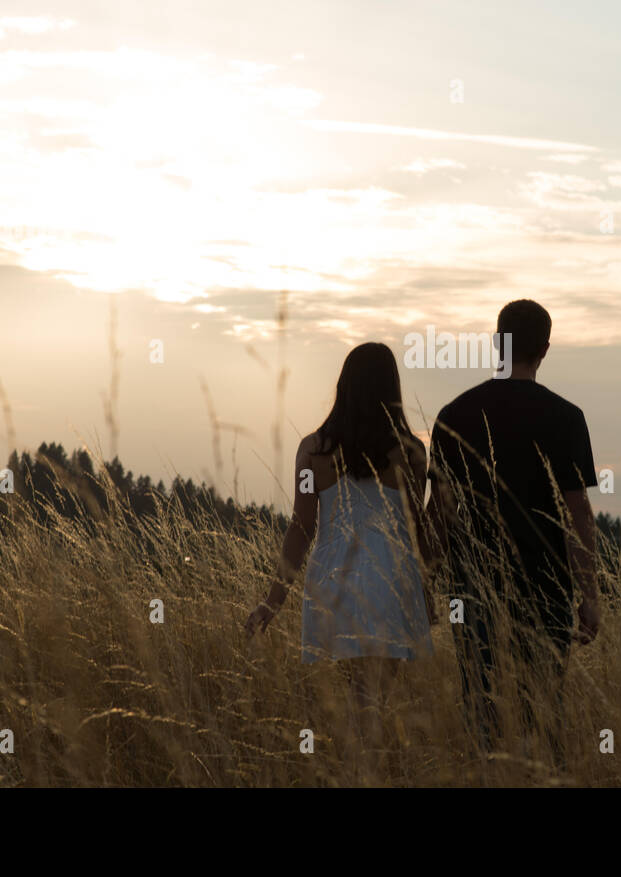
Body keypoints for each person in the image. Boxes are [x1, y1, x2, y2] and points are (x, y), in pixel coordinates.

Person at [426, 299, 600, 765]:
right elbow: (578, 514)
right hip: (546, 583)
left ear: (496, 342)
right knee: (544, 705)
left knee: (479, 703)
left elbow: (439, 514)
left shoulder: (455, 413)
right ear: (545, 348)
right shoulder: (567, 417)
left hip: (471, 585)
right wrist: (589, 593)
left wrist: (424, 584)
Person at [245, 342, 435, 754]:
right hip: (392, 580)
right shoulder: (411, 453)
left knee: (357, 696)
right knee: (377, 698)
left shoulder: (315, 451)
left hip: (334, 581)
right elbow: (418, 531)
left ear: (344, 385)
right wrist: (429, 592)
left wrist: (271, 603)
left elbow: (300, 529)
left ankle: (356, 769)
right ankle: (367, 771)